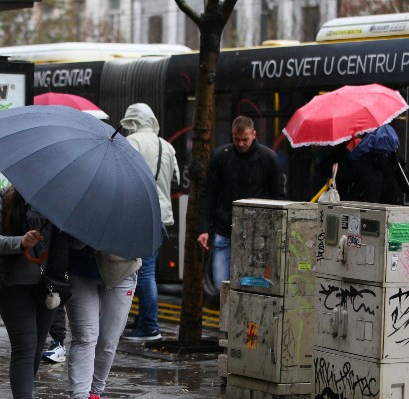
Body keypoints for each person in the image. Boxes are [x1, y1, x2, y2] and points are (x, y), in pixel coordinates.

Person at [0, 185, 65, 399]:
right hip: (13, 284)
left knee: (37, 347)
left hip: (48, 285)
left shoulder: (61, 200)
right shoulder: (5, 199)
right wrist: (20, 242)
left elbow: (72, 245)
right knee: (25, 345)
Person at [197, 116, 286, 292]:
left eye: (244, 139)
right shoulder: (222, 157)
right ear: (232, 135)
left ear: (254, 135)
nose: (240, 143)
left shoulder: (267, 159)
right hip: (227, 230)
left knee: (246, 287)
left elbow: (278, 197)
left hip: (255, 233)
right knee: (222, 286)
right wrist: (204, 228)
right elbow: (208, 193)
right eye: (237, 139)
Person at [119, 103, 178, 342]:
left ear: (132, 123)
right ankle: (143, 319)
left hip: (139, 215)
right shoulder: (168, 146)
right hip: (162, 216)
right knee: (145, 270)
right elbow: (176, 179)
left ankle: (150, 326)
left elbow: (122, 177)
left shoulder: (132, 143)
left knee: (143, 272)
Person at [66, 248, 140, 399]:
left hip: (121, 269)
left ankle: (94, 396)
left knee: (108, 340)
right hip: (80, 268)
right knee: (85, 337)